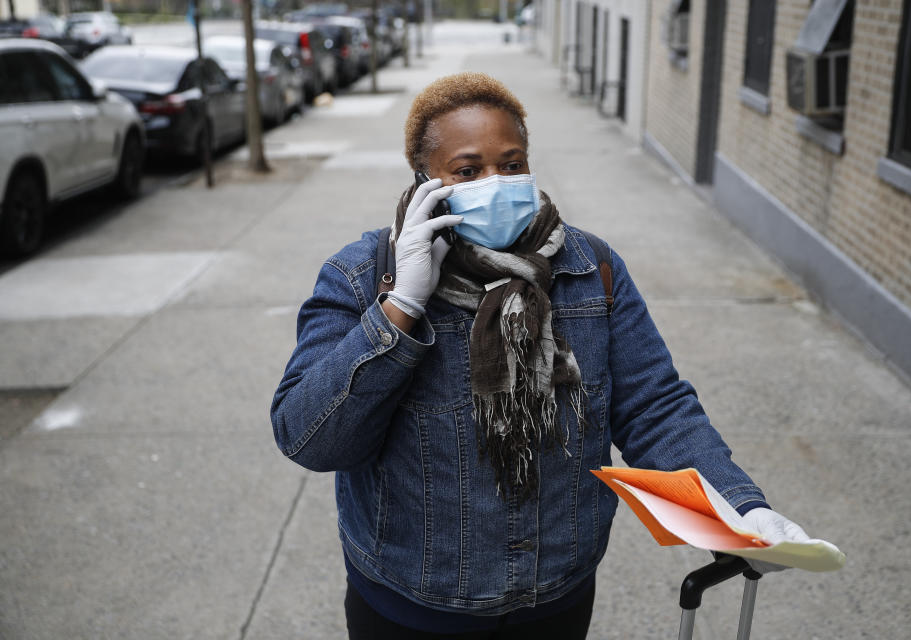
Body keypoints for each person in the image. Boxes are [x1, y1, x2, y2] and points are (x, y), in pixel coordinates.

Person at [270, 72, 810, 639]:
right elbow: (310, 437)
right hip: (412, 605)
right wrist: (401, 306)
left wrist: (741, 511)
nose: (496, 182)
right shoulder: (360, 278)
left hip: (556, 599)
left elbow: (654, 407)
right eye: (468, 170)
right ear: (426, 179)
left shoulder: (588, 269)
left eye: (512, 163)